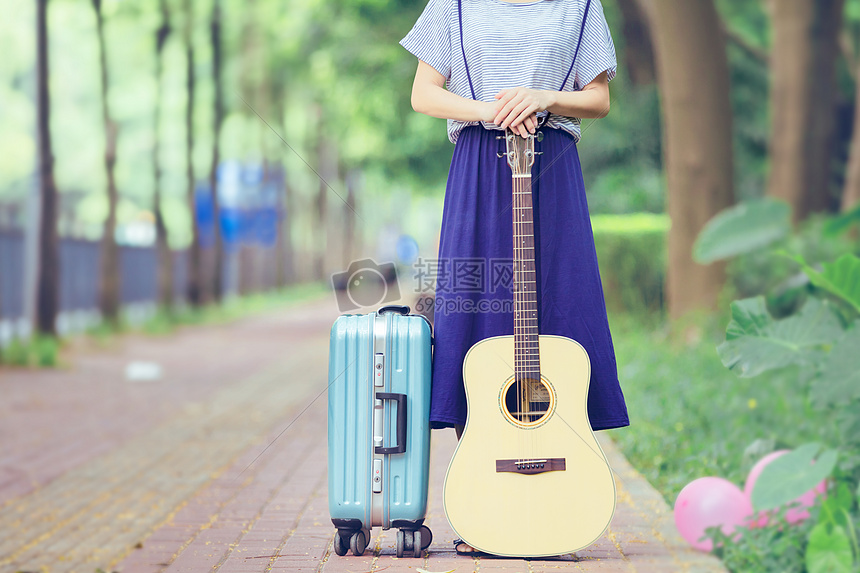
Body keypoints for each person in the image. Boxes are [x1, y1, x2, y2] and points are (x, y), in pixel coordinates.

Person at [400, 0, 630, 555]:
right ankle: (489, 501)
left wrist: (545, 98)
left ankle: (558, 488)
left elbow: (598, 98)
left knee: (561, 306)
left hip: (552, 162)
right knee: (477, 310)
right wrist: (491, 110)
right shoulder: (453, 6)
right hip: (480, 161)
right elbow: (424, 94)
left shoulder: (580, 8)